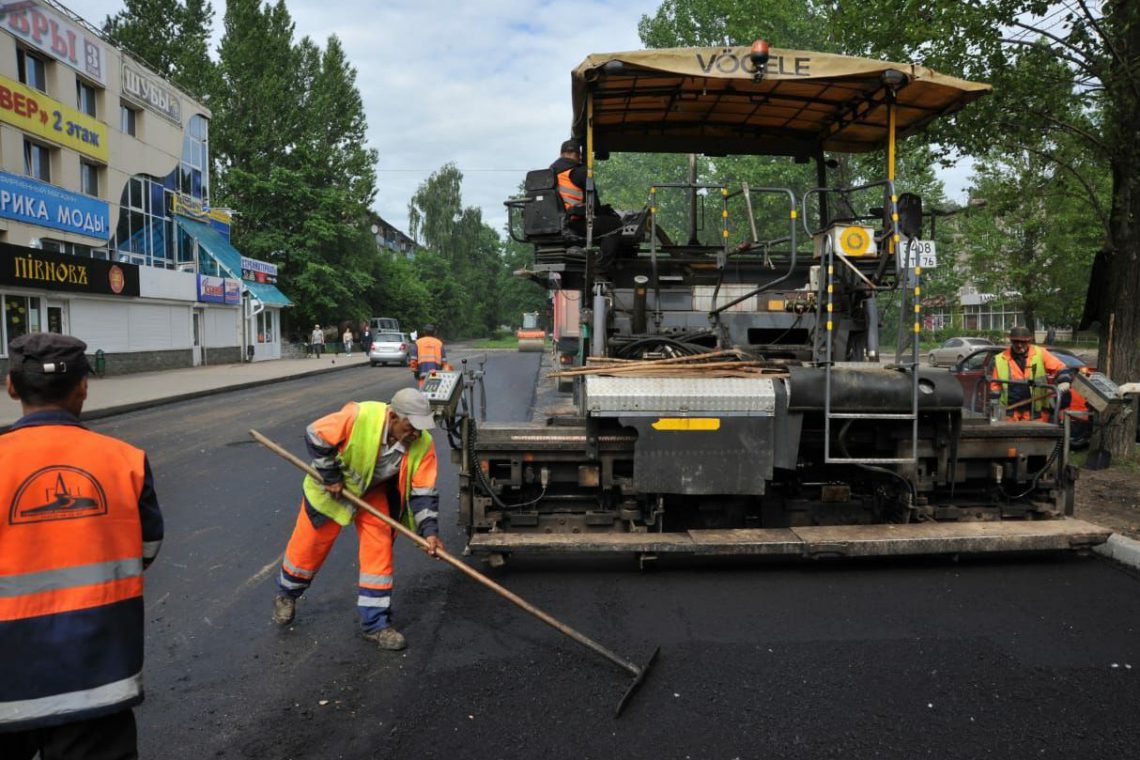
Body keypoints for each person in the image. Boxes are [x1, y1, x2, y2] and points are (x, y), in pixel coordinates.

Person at [0, 334, 164, 758]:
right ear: (84, 387)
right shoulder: (125, 460)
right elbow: (146, 548)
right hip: (96, 677)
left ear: (11, 386)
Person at [271, 387, 442, 651]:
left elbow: (423, 492)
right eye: (411, 426)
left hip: (373, 493)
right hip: (332, 490)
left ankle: (375, 625)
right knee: (308, 548)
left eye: (420, 427)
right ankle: (287, 595)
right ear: (393, 416)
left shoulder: (423, 444)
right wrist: (331, 477)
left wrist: (429, 531)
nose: (416, 433)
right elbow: (316, 434)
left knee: (379, 551)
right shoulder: (360, 416)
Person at [550, 138, 625, 264]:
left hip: (555, 225)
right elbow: (594, 206)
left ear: (561, 154)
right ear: (578, 155)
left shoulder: (549, 173)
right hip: (575, 224)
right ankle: (601, 265)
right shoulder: (580, 172)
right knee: (614, 225)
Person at [989, 325, 1070, 422]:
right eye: (1016, 342)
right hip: (1010, 413)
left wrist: (1064, 381)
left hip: (1035, 412)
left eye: (1023, 342)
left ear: (1029, 341)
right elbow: (995, 387)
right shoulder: (1000, 359)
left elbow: (1059, 367)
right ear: (1011, 341)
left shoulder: (1040, 353)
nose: (1019, 345)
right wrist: (994, 407)